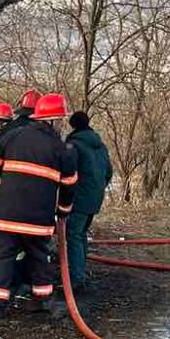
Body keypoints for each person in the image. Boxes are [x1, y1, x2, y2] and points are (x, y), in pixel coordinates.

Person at [0, 93, 77, 319]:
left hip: (6, 215)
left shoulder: (14, 135)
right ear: (54, 120)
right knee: (38, 258)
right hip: (38, 219)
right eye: (61, 119)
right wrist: (63, 211)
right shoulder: (62, 150)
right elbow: (69, 186)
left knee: (2, 257)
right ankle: (41, 301)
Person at [64, 110, 113, 291]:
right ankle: (82, 272)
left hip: (79, 199)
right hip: (95, 199)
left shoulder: (74, 145)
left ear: (73, 125)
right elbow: (109, 173)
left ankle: (77, 279)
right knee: (81, 234)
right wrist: (97, 188)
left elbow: (67, 173)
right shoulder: (100, 146)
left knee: (73, 236)